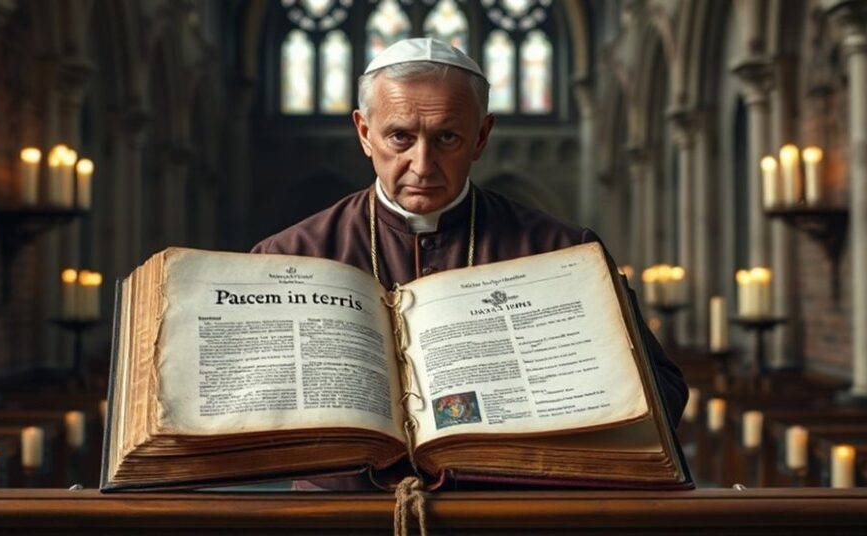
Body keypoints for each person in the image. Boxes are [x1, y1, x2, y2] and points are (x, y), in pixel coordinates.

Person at [251, 37, 687, 428]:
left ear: (481, 137)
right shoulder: (287, 255)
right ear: (365, 134)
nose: (422, 165)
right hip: (336, 517)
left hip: (509, 512)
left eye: (446, 138)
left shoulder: (565, 253)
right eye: (400, 137)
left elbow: (662, 396)